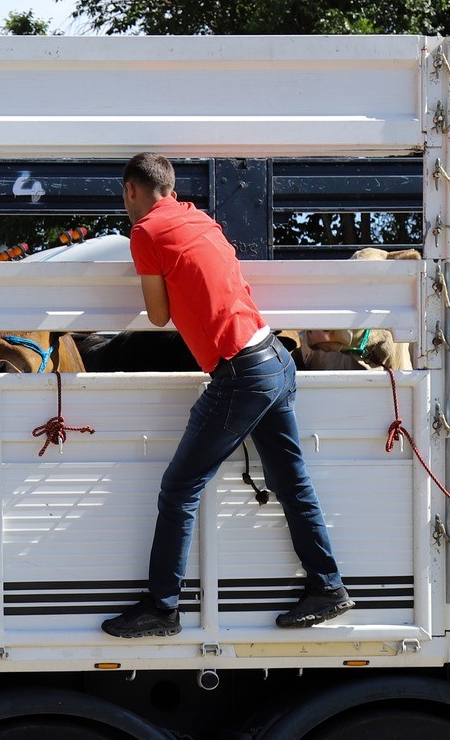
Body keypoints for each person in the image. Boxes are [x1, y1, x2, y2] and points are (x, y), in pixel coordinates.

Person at [101, 152, 351, 638]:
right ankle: (328, 587)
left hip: (240, 372)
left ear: (131, 191)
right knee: (290, 482)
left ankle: (162, 607)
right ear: (170, 187)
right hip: (275, 355)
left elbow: (156, 317)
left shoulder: (145, 233)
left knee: (179, 489)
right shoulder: (198, 217)